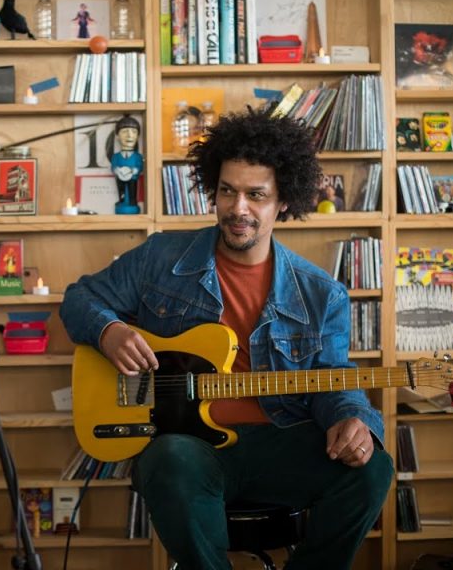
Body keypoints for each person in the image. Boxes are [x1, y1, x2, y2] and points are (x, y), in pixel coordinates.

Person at [60, 107, 393, 570]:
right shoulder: (162, 257)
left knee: (374, 466)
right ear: (213, 192)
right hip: (189, 449)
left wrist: (354, 419)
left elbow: (331, 379)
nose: (239, 209)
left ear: (283, 202)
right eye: (228, 192)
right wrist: (108, 330)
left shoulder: (321, 293)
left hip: (277, 441)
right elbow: (79, 299)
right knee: (168, 457)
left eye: (256, 195)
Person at [110, 114, 142, 214]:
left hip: (133, 178)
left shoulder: (138, 156)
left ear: (138, 136)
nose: (129, 135)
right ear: (117, 135)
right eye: (124, 131)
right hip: (120, 178)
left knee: (133, 190)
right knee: (121, 190)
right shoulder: (116, 156)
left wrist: (134, 171)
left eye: (134, 132)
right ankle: (122, 201)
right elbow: (113, 166)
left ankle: (133, 202)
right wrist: (117, 170)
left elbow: (140, 166)